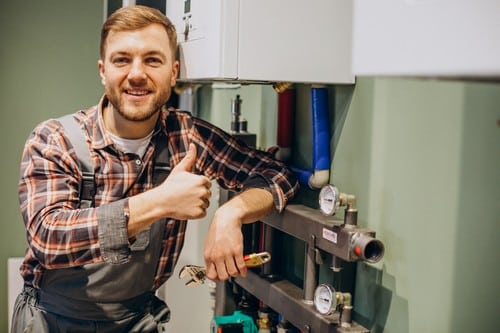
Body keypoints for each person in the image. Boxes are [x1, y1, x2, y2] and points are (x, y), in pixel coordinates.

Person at [11, 5, 298, 333]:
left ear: (173, 72)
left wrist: (231, 213)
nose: (136, 74)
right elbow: (48, 238)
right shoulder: (55, 140)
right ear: (103, 71)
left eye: (152, 60)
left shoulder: (186, 137)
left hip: (135, 320)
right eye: (122, 60)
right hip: (52, 319)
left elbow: (278, 175)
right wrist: (162, 202)